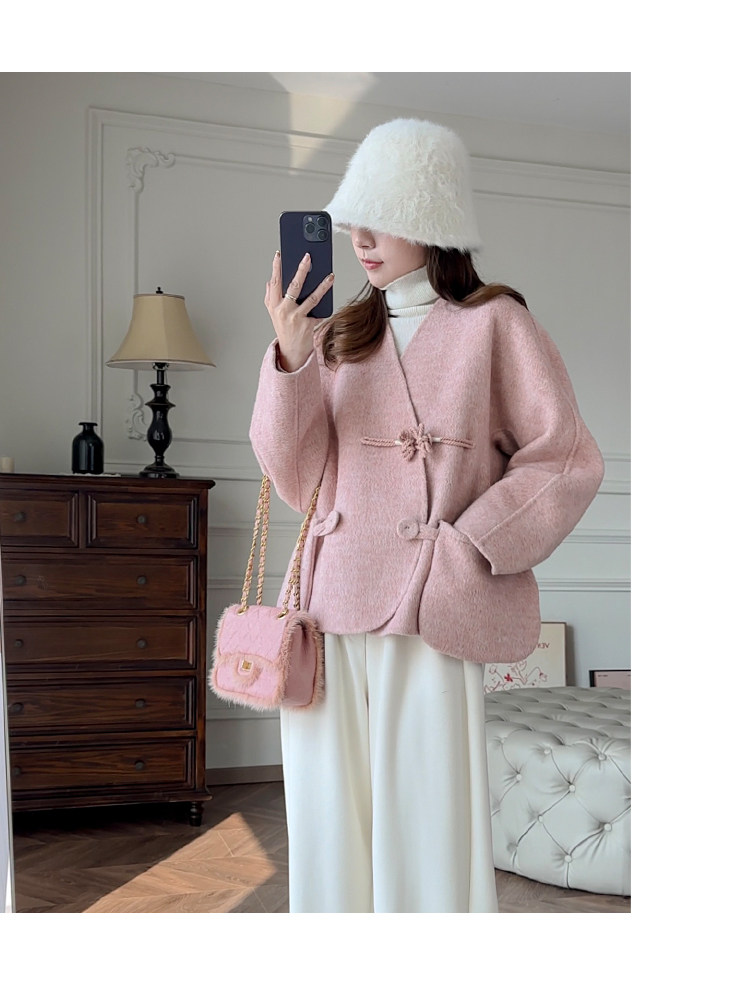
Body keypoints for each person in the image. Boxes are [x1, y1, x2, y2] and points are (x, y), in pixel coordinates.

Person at [250, 118, 604, 913]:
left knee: (428, 815)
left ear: (434, 217)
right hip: (328, 603)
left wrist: (471, 542)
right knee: (327, 813)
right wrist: (291, 357)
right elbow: (297, 477)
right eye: (355, 220)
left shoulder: (496, 323)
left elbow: (565, 458)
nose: (361, 239)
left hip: (431, 600)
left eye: (383, 216)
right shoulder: (339, 333)